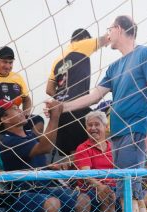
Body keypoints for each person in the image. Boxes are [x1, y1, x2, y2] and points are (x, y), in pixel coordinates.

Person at [62, 15, 147, 212]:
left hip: (133, 132)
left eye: (109, 29)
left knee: (128, 195)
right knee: (133, 195)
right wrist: (63, 106)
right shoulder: (115, 66)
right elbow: (94, 96)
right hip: (117, 136)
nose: (107, 34)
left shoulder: (145, 54)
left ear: (118, 29)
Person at [0, 97, 90, 212]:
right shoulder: (8, 141)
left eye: (18, 107)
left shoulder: (30, 134)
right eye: (14, 109)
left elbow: (35, 158)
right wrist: (55, 116)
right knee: (52, 203)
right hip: (21, 194)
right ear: (5, 119)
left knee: (84, 200)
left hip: (44, 188)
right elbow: (46, 147)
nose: (20, 110)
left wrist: (51, 166)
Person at [74, 111, 147, 212]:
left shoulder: (115, 146)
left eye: (96, 124)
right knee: (109, 194)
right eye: (89, 125)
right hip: (93, 190)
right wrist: (100, 186)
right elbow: (85, 174)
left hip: (120, 187)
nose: (92, 128)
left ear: (105, 127)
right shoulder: (83, 148)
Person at [46, 29, 110, 157]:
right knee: (89, 146)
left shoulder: (58, 59)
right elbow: (107, 38)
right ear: (85, 38)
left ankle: (70, 176)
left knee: (70, 154)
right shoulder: (82, 45)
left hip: (60, 110)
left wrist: (62, 99)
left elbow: (49, 89)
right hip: (76, 107)